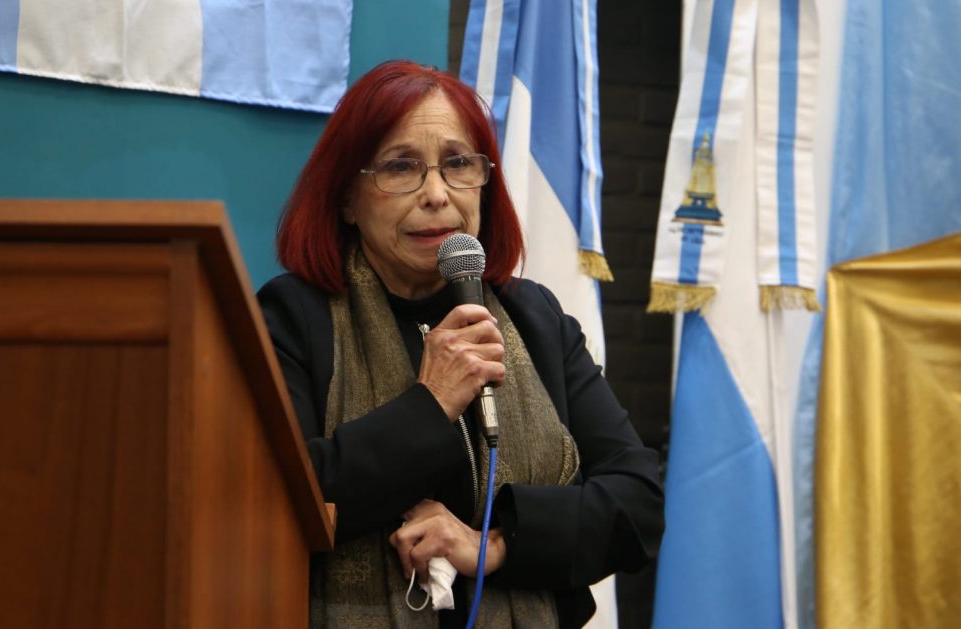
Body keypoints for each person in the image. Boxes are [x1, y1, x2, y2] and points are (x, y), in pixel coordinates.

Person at [258, 60, 664, 629]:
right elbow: (278, 498)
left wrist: (494, 545)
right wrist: (431, 403)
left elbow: (638, 502)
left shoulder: (534, 318)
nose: (436, 194)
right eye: (400, 167)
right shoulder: (294, 316)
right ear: (347, 197)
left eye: (457, 164)